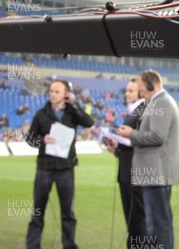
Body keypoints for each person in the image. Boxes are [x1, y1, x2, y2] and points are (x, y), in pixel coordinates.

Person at [26, 79, 94, 249]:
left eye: (57, 91)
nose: (53, 94)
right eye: (51, 91)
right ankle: (33, 245)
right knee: (38, 211)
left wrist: (75, 103)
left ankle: (69, 245)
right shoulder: (41, 114)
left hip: (66, 169)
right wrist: (42, 141)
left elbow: (89, 122)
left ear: (66, 94)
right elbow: (29, 139)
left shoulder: (72, 112)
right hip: (44, 168)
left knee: (68, 213)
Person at [118, 70, 179, 249]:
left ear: (150, 85)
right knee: (155, 224)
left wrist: (132, 134)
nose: (140, 92)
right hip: (153, 173)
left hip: (156, 172)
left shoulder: (161, 103)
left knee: (158, 224)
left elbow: (157, 136)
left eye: (141, 88)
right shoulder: (157, 102)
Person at [107, 79, 147, 248]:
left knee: (138, 219)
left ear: (140, 93)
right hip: (126, 172)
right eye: (126, 90)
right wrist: (116, 149)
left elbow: (144, 141)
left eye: (130, 91)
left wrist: (125, 138)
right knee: (132, 220)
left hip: (135, 174)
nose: (126, 93)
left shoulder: (144, 110)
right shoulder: (133, 111)